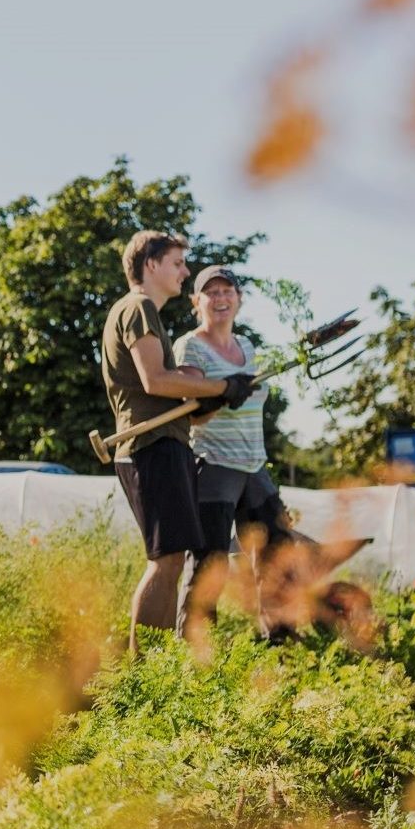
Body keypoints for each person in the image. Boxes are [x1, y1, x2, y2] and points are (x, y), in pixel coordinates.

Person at [99, 232, 254, 651]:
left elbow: (173, 394)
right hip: (151, 448)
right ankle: (143, 674)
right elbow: (155, 380)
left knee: (170, 560)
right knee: (164, 562)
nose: (185, 272)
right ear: (151, 264)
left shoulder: (143, 312)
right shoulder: (139, 307)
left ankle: (157, 667)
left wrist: (217, 395)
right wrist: (220, 385)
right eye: (177, 263)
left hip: (165, 443)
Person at [172, 265, 283, 633]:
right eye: (211, 293)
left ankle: (281, 648)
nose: (220, 299)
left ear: (239, 299)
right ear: (196, 302)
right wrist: (221, 394)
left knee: (276, 556)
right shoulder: (190, 346)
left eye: (227, 292)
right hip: (215, 467)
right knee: (210, 566)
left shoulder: (247, 346)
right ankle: (193, 655)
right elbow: (193, 412)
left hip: (254, 467)